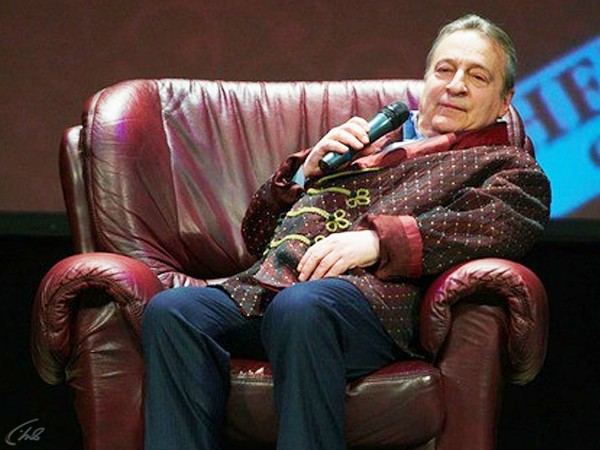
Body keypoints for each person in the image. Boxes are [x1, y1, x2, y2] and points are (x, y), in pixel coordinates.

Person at [142, 14, 550, 450]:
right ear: (426, 78)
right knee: (173, 312)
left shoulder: (506, 166)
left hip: (371, 306)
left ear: (505, 100)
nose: (455, 85)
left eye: (477, 76)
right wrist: (305, 174)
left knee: (301, 308)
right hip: (268, 292)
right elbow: (258, 239)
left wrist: (377, 242)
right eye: (444, 70)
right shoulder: (368, 144)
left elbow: (492, 225)